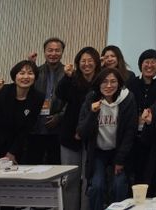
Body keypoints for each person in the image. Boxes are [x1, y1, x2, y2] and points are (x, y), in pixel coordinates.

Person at [77, 68, 137, 210]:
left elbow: (130, 132)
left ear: (119, 83)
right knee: (96, 186)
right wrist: (92, 113)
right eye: (104, 82)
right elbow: (82, 132)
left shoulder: (128, 98)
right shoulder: (91, 98)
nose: (109, 86)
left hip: (119, 151)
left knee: (119, 185)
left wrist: (120, 159)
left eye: (113, 81)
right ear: (98, 83)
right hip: (98, 152)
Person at [0, 60, 44, 164]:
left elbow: (27, 128)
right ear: (14, 76)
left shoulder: (38, 97)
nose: (26, 77)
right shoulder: (4, 90)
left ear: (35, 77)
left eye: (30, 73)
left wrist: (12, 152)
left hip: (10, 149)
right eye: (22, 73)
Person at [55, 47, 101, 210]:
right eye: (83, 61)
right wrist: (67, 77)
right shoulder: (72, 79)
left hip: (92, 137)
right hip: (69, 135)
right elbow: (60, 94)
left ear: (96, 63)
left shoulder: (102, 81)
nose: (86, 64)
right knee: (70, 179)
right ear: (78, 63)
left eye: (90, 61)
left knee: (89, 179)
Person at [27, 37, 66, 165]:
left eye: (57, 50)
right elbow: (27, 94)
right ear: (44, 52)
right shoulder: (36, 72)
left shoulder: (68, 73)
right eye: (50, 50)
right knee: (33, 164)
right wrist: (30, 65)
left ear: (62, 52)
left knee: (55, 165)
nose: (53, 53)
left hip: (58, 128)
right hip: (36, 126)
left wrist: (59, 117)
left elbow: (72, 101)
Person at [130, 49, 156, 187]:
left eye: (153, 62)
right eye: (146, 62)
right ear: (140, 64)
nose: (149, 65)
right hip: (134, 136)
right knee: (136, 175)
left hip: (155, 136)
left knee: (152, 176)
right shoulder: (131, 83)